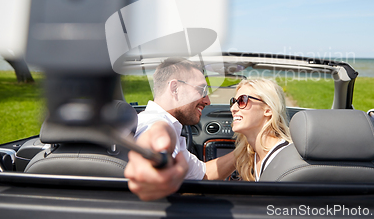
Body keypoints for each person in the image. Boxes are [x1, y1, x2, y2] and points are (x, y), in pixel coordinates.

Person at [125, 57, 235, 200]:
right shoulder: (155, 124)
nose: (207, 100)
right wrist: (158, 154)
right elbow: (156, 135)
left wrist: (244, 151)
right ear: (175, 88)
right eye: (202, 90)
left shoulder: (168, 124)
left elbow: (204, 173)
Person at [230, 78, 292, 181]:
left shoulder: (284, 157)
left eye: (242, 100)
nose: (233, 109)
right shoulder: (252, 155)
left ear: (268, 110)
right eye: (233, 102)